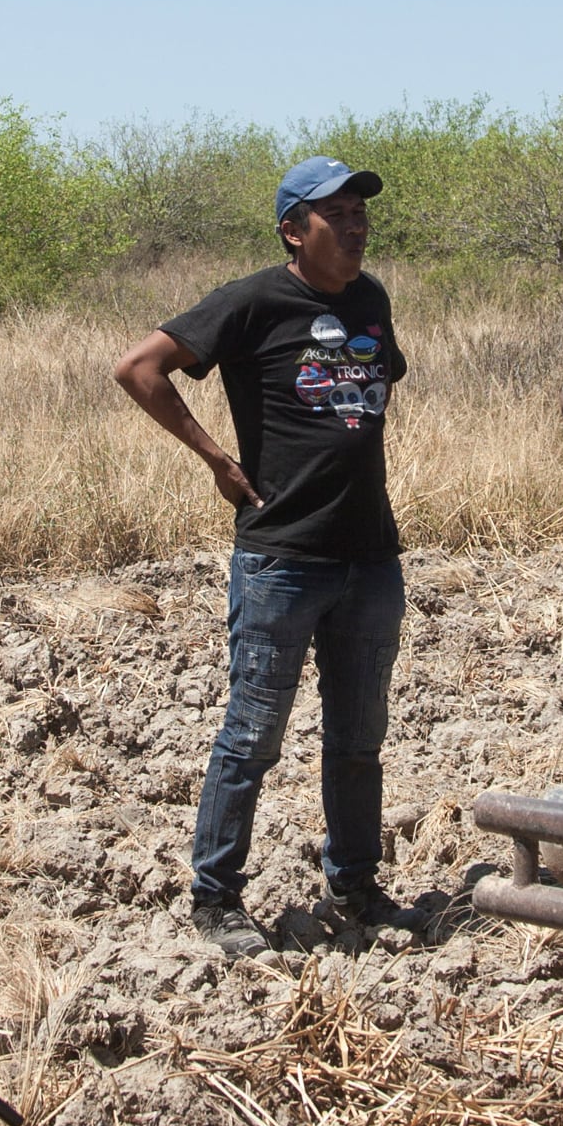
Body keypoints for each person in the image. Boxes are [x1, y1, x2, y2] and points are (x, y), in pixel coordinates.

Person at [112, 157, 409, 957]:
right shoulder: (253, 301)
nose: (355, 226)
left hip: (370, 558)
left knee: (359, 739)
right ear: (292, 230)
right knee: (252, 734)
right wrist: (216, 457)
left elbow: (371, 389)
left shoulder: (372, 300)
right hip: (283, 559)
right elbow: (138, 368)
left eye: (359, 213)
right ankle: (215, 897)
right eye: (335, 215)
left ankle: (356, 886)